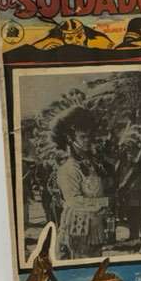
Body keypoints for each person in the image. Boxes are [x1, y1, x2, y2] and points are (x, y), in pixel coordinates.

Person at [51, 107, 110, 259]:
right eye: (83, 137)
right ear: (70, 138)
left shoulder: (93, 165)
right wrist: (104, 202)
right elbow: (74, 201)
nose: (88, 140)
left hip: (95, 226)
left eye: (89, 136)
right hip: (77, 226)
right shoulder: (68, 168)